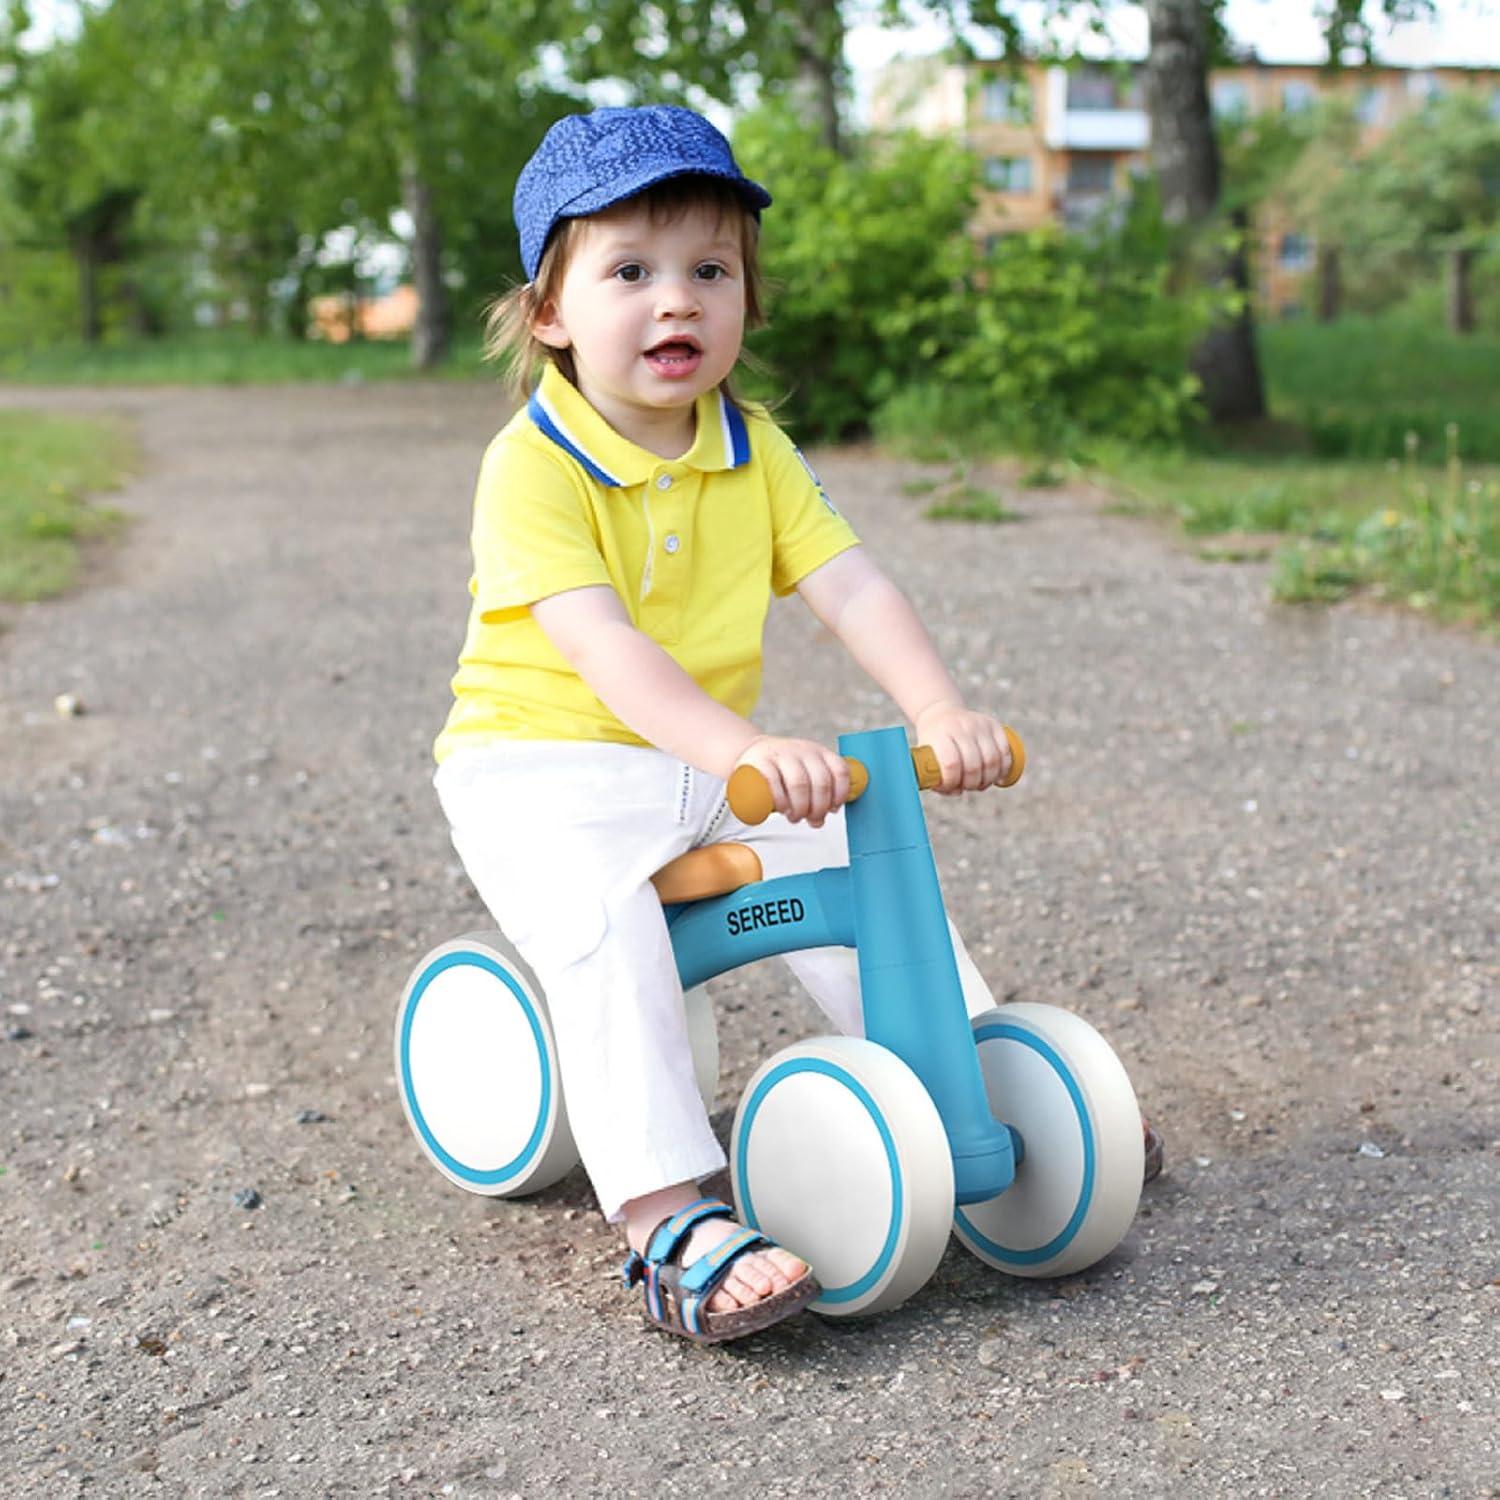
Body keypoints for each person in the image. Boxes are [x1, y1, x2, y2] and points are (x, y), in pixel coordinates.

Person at [433, 104, 1022, 1345]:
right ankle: (663, 1217)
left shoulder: (756, 449)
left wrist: (937, 708)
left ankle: (966, 1077)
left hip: (692, 758)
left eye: (711, 270)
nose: (676, 302)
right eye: (631, 272)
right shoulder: (531, 465)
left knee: (848, 848)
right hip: (538, 771)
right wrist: (743, 750)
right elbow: (606, 650)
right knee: (605, 925)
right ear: (550, 311)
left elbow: (848, 582)